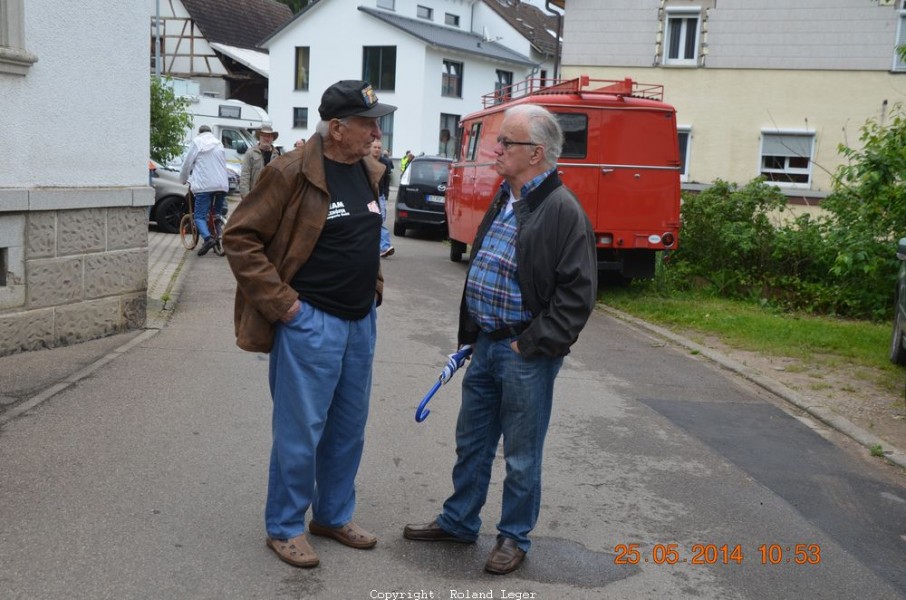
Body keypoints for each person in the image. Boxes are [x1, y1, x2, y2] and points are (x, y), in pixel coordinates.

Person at [402, 104, 597, 575]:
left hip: (524, 353)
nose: (497, 149)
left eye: (506, 143)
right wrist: (473, 337)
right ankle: (459, 521)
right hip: (487, 345)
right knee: (472, 442)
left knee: (523, 454)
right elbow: (486, 267)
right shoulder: (507, 196)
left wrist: (529, 344)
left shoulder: (562, 210)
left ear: (535, 153)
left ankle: (514, 537)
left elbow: (578, 296)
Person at [222, 80, 397, 569]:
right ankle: (283, 526)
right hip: (311, 321)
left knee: (348, 428)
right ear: (337, 128)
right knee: (301, 431)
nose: (375, 130)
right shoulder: (291, 170)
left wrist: (374, 287)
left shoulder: (368, 171)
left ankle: (333, 515)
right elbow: (239, 237)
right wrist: (284, 306)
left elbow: (367, 236)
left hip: (360, 321)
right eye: (368, 122)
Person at [179, 124, 229, 256]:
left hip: (204, 186)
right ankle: (218, 237)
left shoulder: (197, 142)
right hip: (222, 185)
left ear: (199, 133)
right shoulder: (219, 143)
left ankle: (208, 239)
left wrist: (183, 179)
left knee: (200, 216)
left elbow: (187, 163)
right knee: (217, 214)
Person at [239, 125, 280, 199]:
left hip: (270, 197)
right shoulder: (250, 153)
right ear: (259, 137)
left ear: (272, 138)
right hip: (254, 195)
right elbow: (245, 175)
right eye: (264, 135)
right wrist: (246, 197)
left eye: (269, 136)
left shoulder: (276, 155)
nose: (266, 138)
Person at [370, 139, 394, 258]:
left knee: (380, 219)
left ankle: (384, 246)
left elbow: (386, 181)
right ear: (370, 148)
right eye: (375, 147)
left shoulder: (385, 162)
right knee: (373, 220)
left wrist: (385, 194)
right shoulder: (365, 161)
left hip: (380, 196)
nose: (377, 150)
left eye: (379, 148)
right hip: (368, 196)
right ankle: (382, 246)